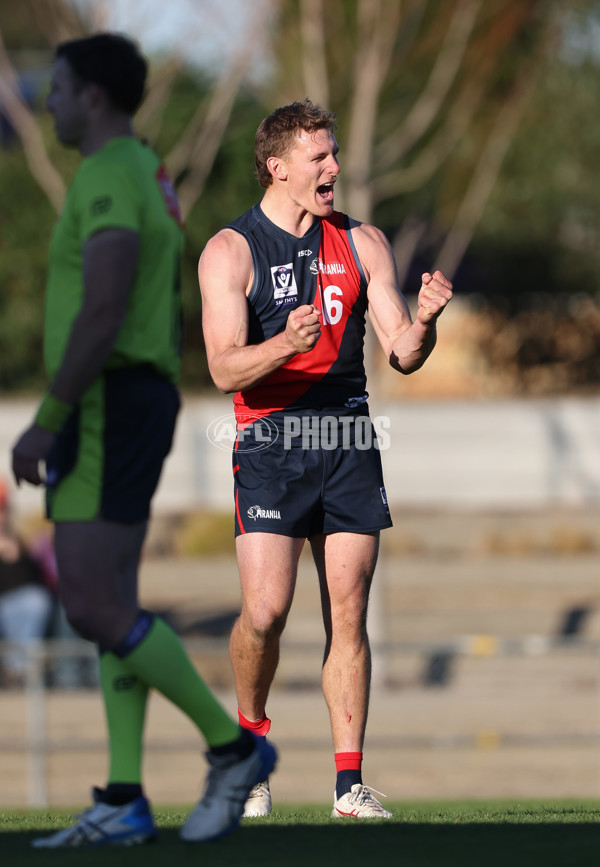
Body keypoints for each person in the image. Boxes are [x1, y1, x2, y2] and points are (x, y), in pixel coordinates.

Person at [11, 33, 275, 848]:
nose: (46, 102)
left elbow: (104, 302)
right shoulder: (148, 170)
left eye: (56, 88)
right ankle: (124, 796)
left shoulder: (107, 173)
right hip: (133, 394)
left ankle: (235, 749)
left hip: (105, 400)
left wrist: (49, 415)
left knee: (90, 600)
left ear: (92, 94)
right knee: (113, 607)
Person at [198, 98, 453, 819]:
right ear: (278, 167)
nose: (335, 168)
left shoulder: (364, 242)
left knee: (350, 614)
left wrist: (426, 324)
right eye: (321, 158)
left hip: (346, 436)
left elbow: (401, 352)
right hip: (271, 439)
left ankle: (349, 785)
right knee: (266, 611)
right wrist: (286, 342)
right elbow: (222, 369)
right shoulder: (230, 250)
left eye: (335, 154)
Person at [0, 477, 54, 686]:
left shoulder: (18, 538)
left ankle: (18, 670)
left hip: (20, 604)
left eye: (3, 509)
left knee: (35, 601)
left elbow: (34, 578)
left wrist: (17, 555)